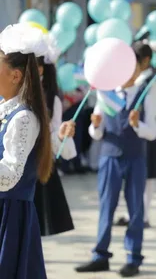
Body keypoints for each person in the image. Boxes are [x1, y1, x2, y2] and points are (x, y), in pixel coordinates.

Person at [75, 56, 156, 277]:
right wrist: (95, 126)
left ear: (138, 70)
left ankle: (133, 258)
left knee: (135, 210)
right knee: (106, 207)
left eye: (132, 69)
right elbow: (97, 134)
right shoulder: (107, 94)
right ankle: (100, 255)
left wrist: (136, 124)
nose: (128, 73)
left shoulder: (145, 94)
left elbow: (152, 132)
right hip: (109, 157)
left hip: (135, 158)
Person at [0, 24, 53, 278]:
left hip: (10, 216)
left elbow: (10, 176)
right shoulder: (5, 108)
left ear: (16, 76)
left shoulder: (24, 118)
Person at [115, 41, 156, 228]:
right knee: (134, 180)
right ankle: (132, 213)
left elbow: (153, 113)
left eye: (135, 60)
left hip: (146, 131)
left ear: (146, 61)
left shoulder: (152, 82)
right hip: (133, 134)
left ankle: (143, 215)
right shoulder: (133, 79)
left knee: (148, 176)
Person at [35, 44, 77, 236]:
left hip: (38, 164)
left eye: (38, 65)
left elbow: (54, 134)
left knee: (34, 226)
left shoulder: (51, 99)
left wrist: (60, 135)